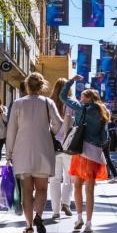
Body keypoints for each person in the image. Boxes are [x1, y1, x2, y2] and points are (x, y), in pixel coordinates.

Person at [6, 72, 62, 233]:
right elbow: (58, 124)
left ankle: (29, 226)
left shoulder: (18, 103)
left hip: (22, 151)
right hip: (43, 150)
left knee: (27, 191)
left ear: (27, 86)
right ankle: (39, 216)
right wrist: (49, 131)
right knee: (42, 189)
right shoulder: (48, 102)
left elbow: (11, 131)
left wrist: (9, 152)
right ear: (41, 86)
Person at [59, 76, 110, 233]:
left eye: (82, 97)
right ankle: (89, 223)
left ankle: (79, 218)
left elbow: (62, 96)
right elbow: (105, 138)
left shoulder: (82, 108)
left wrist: (71, 81)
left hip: (80, 150)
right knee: (90, 189)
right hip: (94, 153)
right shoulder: (103, 112)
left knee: (78, 186)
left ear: (88, 98)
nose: (80, 99)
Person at [49, 78, 75, 221]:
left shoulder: (50, 103)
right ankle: (66, 203)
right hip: (68, 146)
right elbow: (72, 122)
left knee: (54, 179)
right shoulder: (70, 103)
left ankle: (55, 211)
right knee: (69, 178)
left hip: (52, 145)